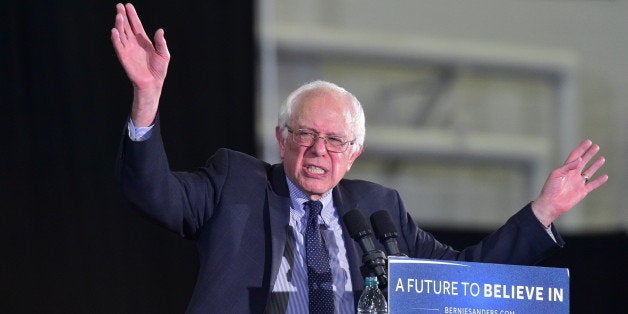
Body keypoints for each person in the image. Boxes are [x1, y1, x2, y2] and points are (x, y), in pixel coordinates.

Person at [111, 3, 608, 313]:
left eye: (334, 141)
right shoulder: (234, 180)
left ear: (354, 155)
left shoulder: (377, 209)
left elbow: (461, 278)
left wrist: (543, 211)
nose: (317, 150)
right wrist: (147, 100)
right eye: (305, 134)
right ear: (282, 140)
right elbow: (154, 195)